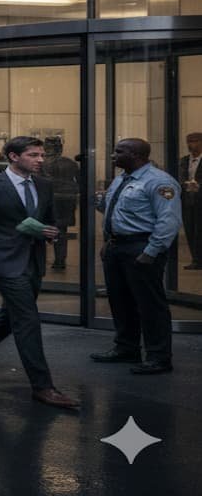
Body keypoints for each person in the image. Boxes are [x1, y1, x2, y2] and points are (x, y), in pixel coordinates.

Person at [0, 136, 79, 410]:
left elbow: (45, 219)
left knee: (10, 317)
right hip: (4, 263)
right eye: (34, 155)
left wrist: (50, 231)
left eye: (41, 155)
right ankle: (43, 387)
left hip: (33, 260)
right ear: (13, 156)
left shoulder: (44, 185)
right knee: (27, 320)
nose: (40, 160)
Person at [90, 137, 182, 375]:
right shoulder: (121, 179)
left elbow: (168, 221)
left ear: (136, 155)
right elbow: (112, 210)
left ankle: (159, 357)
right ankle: (126, 348)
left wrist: (151, 252)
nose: (113, 155)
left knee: (150, 305)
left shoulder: (160, 182)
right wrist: (109, 241)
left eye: (118, 151)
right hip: (117, 247)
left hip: (141, 247)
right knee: (121, 301)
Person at [43, 139, 80, 270]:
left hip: (50, 199)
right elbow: (79, 182)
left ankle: (45, 261)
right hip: (66, 199)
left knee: (41, 229)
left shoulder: (43, 163)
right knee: (61, 231)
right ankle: (59, 260)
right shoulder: (70, 163)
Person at [181, 132, 202, 269]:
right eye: (188, 141)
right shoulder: (183, 160)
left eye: (194, 141)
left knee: (200, 231)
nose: (190, 144)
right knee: (190, 230)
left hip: (201, 198)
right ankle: (196, 259)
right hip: (187, 200)